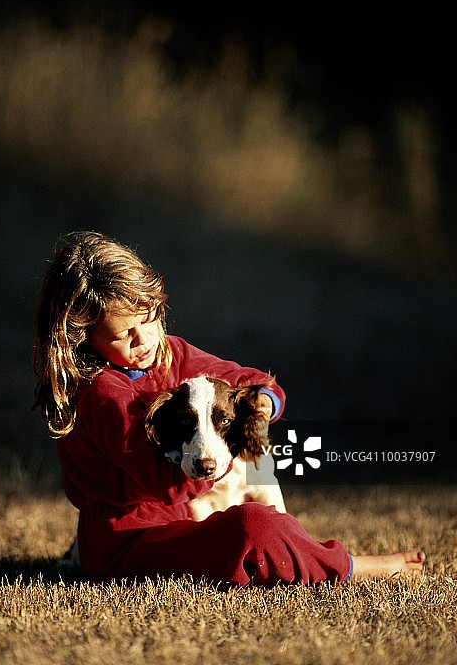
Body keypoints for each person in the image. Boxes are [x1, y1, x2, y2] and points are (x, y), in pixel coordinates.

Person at [33, 230, 425, 586]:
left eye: (148, 318)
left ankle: (300, 551)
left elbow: (250, 383)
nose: (145, 338)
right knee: (254, 528)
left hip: (186, 522)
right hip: (131, 544)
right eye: (123, 334)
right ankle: (351, 565)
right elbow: (163, 479)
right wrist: (231, 450)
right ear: (82, 339)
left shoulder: (169, 353)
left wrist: (259, 411)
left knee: (257, 517)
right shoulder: (101, 393)